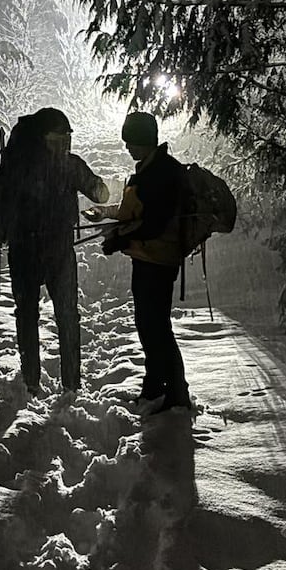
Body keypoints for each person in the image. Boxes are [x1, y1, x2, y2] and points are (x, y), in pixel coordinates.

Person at [0, 107, 108, 395]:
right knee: (67, 316)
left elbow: (1, 202)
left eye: (66, 139)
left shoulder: (16, 164)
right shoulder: (68, 165)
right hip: (59, 252)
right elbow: (100, 192)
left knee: (27, 315)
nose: (64, 144)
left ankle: (32, 381)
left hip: (23, 251)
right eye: (60, 138)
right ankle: (71, 385)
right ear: (44, 138)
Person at [98, 110, 192, 414]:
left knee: (156, 327)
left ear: (147, 140)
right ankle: (155, 388)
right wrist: (108, 217)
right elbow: (138, 214)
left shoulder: (159, 173)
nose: (128, 148)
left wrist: (118, 240)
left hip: (157, 260)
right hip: (149, 257)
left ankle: (176, 394)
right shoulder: (153, 168)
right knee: (149, 326)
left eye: (133, 142)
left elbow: (153, 223)